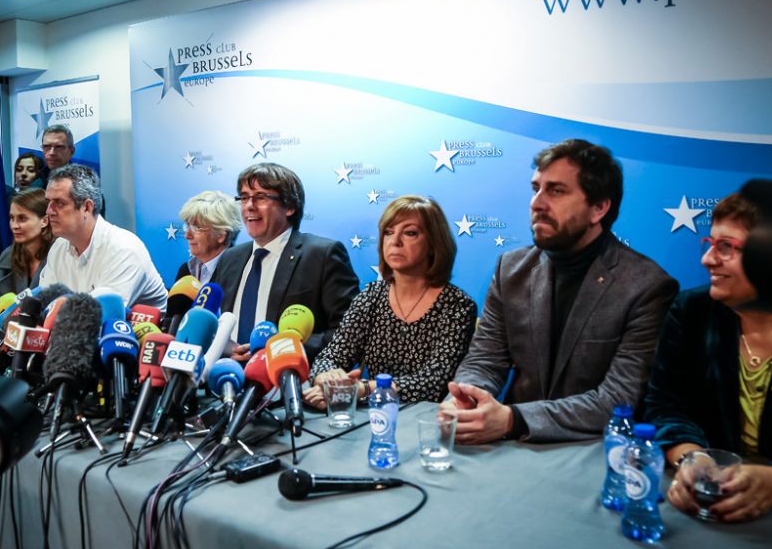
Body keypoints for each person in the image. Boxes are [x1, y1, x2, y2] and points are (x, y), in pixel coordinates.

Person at [440, 138, 678, 443]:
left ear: (599, 208)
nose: (536, 203)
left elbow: (618, 400)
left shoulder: (647, 286)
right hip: (512, 446)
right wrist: (465, 400)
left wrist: (513, 419)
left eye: (556, 190)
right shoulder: (510, 269)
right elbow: (484, 360)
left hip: (595, 451)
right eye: (536, 188)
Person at [644, 193, 772, 522]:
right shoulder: (691, 310)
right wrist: (692, 459)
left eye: (726, 247)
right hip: (711, 504)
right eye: (710, 243)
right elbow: (665, 405)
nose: (707, 259)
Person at [305, 195, 476, 406]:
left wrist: (362, 389)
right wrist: (326, 379)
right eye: (388, 232)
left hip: (427, 420)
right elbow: (331, 356)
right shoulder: (371, 295)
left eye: (410, 233)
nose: (395, 241)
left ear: (434, 244)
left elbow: (433, 383)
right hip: (370, 415)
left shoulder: (457, 305)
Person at [211, 162, 359, 360]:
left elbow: (349, 334)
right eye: (244, 197)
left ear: (289, 206)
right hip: (226, 379)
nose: (249, 206)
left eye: (260, 197)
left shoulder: (322, 255)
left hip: (291, 382)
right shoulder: (230, 258)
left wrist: (279, 349)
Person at [39, 164, 166, 309]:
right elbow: (45, 306)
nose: (49, 211)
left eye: (60, 203)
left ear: (87, 208)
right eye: (48, 202)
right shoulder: (59, 247)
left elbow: (96, 315)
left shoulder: (123, 248)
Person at [0, 188, 53, 296]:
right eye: (12, 218)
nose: (14, 226)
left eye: (22, 219)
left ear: (44, 221)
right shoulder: (7, 256)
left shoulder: (60, 255)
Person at [175, 190, 242, 284]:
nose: (187, 235)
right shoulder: (186, 271)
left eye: (197, 227)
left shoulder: (241, 274)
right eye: (187, 226)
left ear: (221, 234)